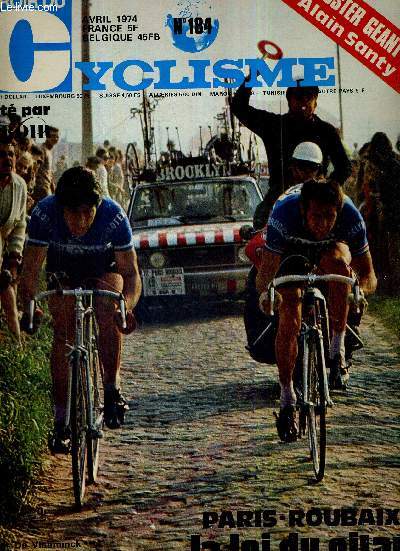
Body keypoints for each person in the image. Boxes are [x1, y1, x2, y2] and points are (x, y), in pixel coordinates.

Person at [19, 166, 142, 453]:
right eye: (74, 213)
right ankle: (61, 422)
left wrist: (126, 307)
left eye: (88, 212)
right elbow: (29, 273)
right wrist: (30, 307)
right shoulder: (43, 214)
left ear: (98, 207)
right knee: (63, 333)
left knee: (108, 308)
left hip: (103, 266)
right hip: (63, 267)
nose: (82, 221)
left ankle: (111, 390)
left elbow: (132, 275)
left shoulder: (114, 216)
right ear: (60, 209)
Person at [256, 179, 377, 442]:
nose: (323, 224)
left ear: (338, 212)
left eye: (329, 217)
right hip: (291, 250)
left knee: (340, 270)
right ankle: (287, 397)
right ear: (303, 210)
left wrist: (359, 293)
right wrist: (267, 295)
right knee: (289, 307)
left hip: (329, 250)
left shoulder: (350, 216)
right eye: (316, 216)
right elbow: (265, 274)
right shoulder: (284, 214)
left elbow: (369, 275)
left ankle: (337, 348)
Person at [231, 79, 352, 228]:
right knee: (260, 224)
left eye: (309, 98)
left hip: (318, 198)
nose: (304, 103)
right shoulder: (274, 126)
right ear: (289, 100)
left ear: (316, 102)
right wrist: (251, 79)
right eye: (299, 97)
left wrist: (326, 190)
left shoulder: (326, 131)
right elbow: (238, 107)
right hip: (280, 195)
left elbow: (344, 167)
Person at [0, 138, 27, 343]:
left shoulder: (19, 185)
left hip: (5, 244)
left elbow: (19, 224)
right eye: (2, 155)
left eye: (11, 154)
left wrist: (15, 253)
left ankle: (16, 344)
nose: (7, 159)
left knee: (8, 289)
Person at [33, 126, 59, 202]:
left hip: (46, 187)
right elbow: (35, 169)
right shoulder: (42, 150)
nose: (55, 139)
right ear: (47, 137)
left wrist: (53, 187)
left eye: (57, 136)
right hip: (41, 188)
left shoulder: (49, 151)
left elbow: (49, 172)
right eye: (53, 136)